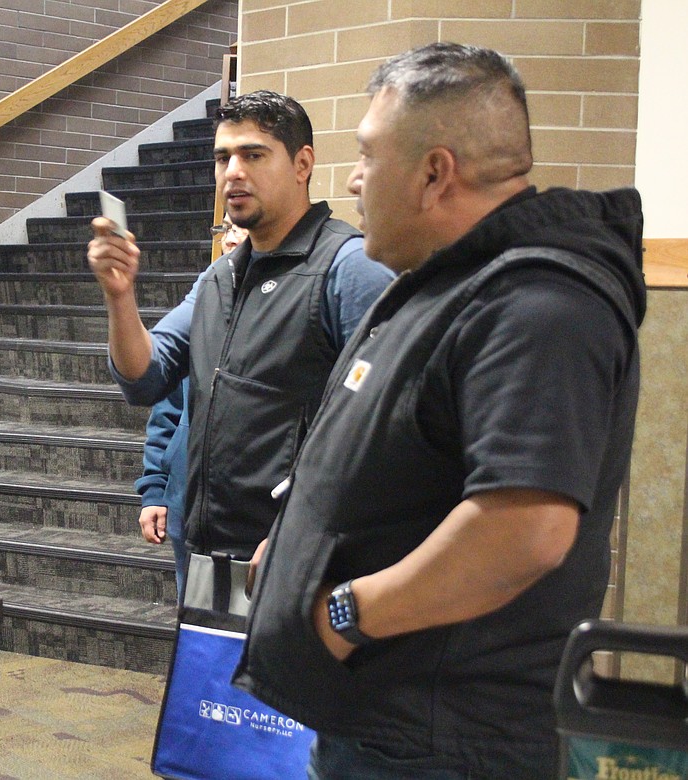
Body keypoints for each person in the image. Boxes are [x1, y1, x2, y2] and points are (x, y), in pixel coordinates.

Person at [236, 43, 645, 779]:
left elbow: (523, 532)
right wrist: (298, 544)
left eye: (368, 155)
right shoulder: (446, 285)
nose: (354, 180)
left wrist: (344, 614)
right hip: (386, 725)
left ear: (434, 173)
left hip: (444, 742)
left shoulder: (539, 304)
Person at [90, 90, 394, 559]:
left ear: (302, 164)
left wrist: (305, 533)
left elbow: (386, 432)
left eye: (253, 155)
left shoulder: (349, 269)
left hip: (296, 555)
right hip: (207, 548)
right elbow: (144, 377)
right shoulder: (221, 277)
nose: (232, 172)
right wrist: (119, 296)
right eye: (223, 158)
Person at [135, 215, 246, 597]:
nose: (229, 240)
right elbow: (167, 409)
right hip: (186, 502)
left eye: (240, 228)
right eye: (225, 228)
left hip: (248, 517)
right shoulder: (202, 302)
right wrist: (155, 489)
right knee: (195, 617)